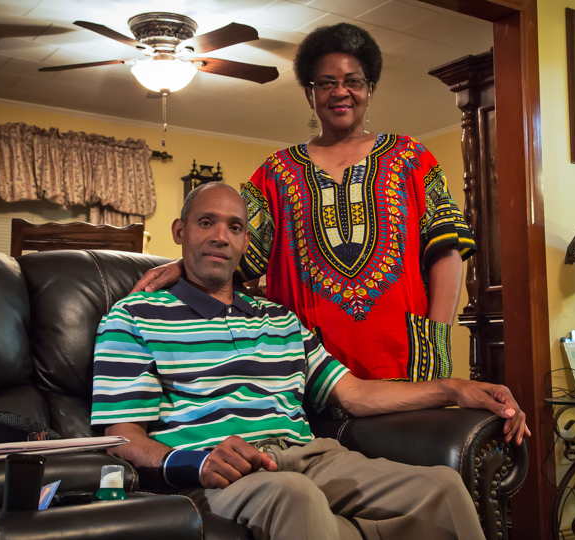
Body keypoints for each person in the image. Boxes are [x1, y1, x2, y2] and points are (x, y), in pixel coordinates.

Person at [91, 182, 529, 540]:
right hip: (224, 473)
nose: (220, 236)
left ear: (246, 241)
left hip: (313, 456)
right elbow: (122, 437)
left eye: (235, 227)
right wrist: (196, 462)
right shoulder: (133, 317)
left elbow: (353, 393)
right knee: (295, 495)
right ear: (179, 230)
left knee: (441, 486)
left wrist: (453, 388)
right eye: (206, 222)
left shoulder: (280, 319)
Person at [132, 23, 477, 384]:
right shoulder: (274, 173)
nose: (340, 92)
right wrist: (181, 265)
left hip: (405, 360)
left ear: (370, 90)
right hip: (305, 367)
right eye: (326, 82)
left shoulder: (413, 158)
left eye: (353, 81)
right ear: (309, 94)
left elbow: (446, 251)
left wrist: (435, 340)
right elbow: (234, 249)